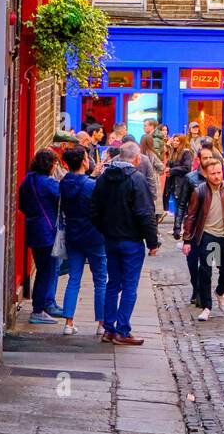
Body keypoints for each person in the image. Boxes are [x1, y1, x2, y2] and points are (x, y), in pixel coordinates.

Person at [89, 140, 159, 345]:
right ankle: (122, 330)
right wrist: (152, 242)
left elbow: (93, 209)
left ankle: (108, 329)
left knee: (112, 284)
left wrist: (105, 229)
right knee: (129, 286)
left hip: (111, 240)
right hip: (131, 241)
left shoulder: (103, 178)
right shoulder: (136, 180)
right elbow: (145, 214)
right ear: (137, 159)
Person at [183, 156, 224, 320]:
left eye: (219, 173)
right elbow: (191, 216)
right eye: (213, 174)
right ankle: (207, 307)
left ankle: (220, 292)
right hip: (208, 236)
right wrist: (187, 240)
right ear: (206, 174)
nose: (217, 176)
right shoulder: (200, 191)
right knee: (206, 270)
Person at [59, 145, 107, 336]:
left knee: (74, 278)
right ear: (83, 161)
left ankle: (68, 322)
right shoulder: (92, 185)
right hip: (94, 235)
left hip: (73, 234)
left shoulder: (64, 182)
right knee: (100, 280)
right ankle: (101, 323)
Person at [17, 149, 64, 325]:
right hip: (48, 232)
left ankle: (41, 307)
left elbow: (22, 204)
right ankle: (38, 310)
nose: (55, 167)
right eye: (55, 163)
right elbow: (63, 199)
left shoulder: (28, 180)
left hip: (34, 229)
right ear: (50, 164)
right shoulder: (49, 184)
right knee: (47, 272)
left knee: (42, 269)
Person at [175, 144, 221, 301]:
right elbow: (182, 204)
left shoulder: (217, 177)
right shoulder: (190, 178)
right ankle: (196, 286)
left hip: (212, 227)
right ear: (199, 160)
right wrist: (177, 226)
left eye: (210, 157)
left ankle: (203, 291)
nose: (208, 160)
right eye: (205, 158)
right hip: (194, 227)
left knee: (207, 263)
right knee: (192, 261)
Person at [164, 135, 194, 215]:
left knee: (180, 208)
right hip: (173, 184)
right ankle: (178, 226)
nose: (175, 142)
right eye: (174, 140)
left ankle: (179, 226)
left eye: (177, 141)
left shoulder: (186, 153)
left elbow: (187, 167)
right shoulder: (173, 152)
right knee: (177, 207)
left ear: (182, 142)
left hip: (181, 183)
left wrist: (171, 170)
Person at [139, 133, 165, 223]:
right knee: (154, 205)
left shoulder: (138, 154)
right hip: (153, 180)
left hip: (141, 180)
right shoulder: (151, 154)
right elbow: (161, 167)